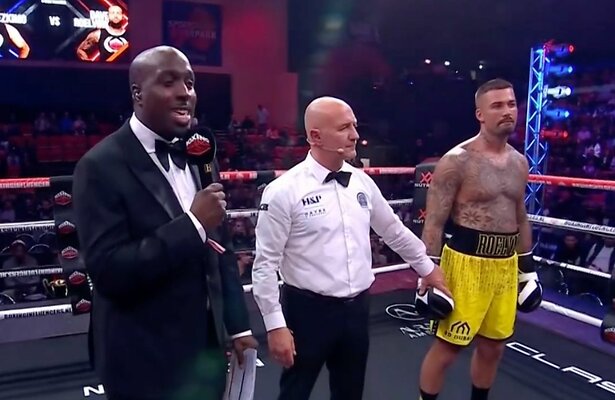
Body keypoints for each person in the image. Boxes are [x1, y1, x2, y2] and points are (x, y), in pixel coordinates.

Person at [72, 45, 257, 400]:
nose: (185, 92)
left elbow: (221, 247)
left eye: (190, 83)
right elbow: (109, 271)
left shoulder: (200, 154)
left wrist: (238, 326)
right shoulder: (99, 166)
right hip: (142, 356)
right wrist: (192, 224)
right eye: (169, 82)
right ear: (138, 93)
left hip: (205, 349)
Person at [251, 96, 451, 400]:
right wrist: (275, 325)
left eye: (354, 126)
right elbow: (265, 264)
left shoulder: (361, 182)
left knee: (350, 392)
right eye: (344, 127)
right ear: (316, 136)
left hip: (357, 308)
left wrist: (427, 268)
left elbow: (393, 230)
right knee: (294, 392)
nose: (355, 134)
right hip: (308, 312)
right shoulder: (283, 191)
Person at [417, 78, 542, 400]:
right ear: (480, 114)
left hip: (505, 266)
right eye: (497, 106)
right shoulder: (457, 160)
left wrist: (527, 270)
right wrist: (428, 272)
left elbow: (520, 216)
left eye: (511, 104)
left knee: (494, 348)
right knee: (448, 349)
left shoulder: (519, 162)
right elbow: (434, 220)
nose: (507, 111)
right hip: (465, 263)